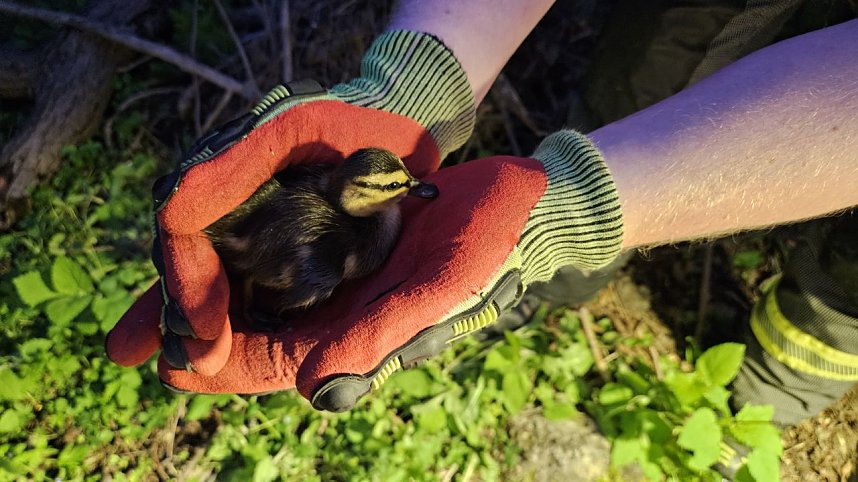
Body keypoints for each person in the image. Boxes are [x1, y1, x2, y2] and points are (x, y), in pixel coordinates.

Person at [107, 0, 858, 430]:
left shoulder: (362, 224)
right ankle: (563, 277)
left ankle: (784, 382)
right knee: (657, 67)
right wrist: (422, 77)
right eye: (390, 190)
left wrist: (565, 208)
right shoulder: (337, 234)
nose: (409, 193)